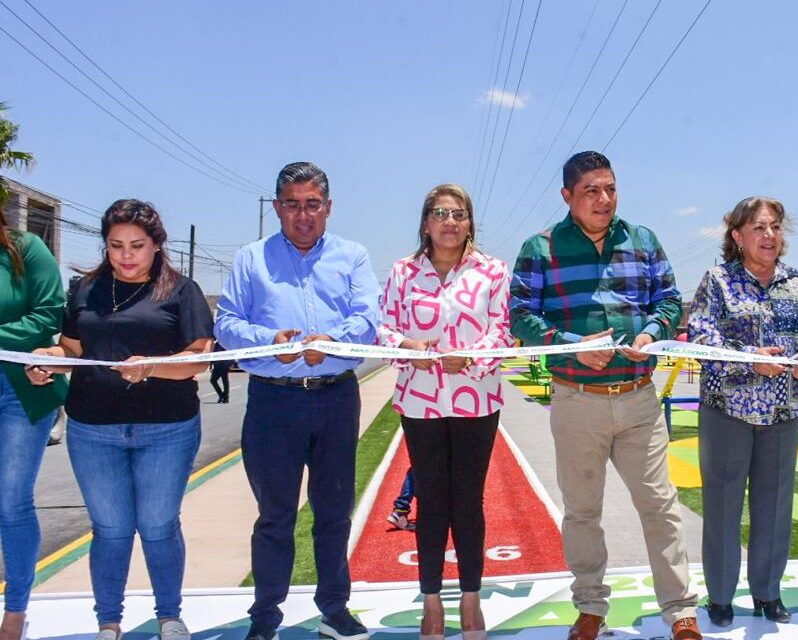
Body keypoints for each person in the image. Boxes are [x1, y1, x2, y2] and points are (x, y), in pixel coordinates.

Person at [509, 151, 701, 640]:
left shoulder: (643, 240)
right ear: (567, 196)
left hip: (638, 398)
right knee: (582, 511)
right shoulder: (541, 247)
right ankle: (590, 606)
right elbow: (521, 316)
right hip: (577, 400)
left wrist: (652, 332)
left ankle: (680, 611)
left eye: (610, 188)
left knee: (660, 506)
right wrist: (571, 347)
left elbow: (670, 299)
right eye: (591, 190)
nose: (603, 199)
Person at [26, 199, 211, 640]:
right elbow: (72, 352)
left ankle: (170, 617)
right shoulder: (85, 290)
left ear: (157, 245)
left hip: (168, 429)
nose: (126, 256)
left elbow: (198, 360)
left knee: (158, 525)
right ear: (105, 245)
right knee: (109, 529)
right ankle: (108, 623)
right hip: (93, 430)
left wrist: (151, 366)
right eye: (116, 246)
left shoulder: (182, 291)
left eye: (137, 246)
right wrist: (46, 360)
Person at [215, 162, 379, 640]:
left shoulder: (353, 256)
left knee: (333, 511)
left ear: (328, 208)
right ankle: (265, 617)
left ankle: (334, 608)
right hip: (272, 403)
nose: (302, 215)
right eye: (292, 204)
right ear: (277, 207)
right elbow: (226, 324)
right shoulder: (251, 259)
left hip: (335, 400)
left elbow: (369, 317)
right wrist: (272, 341)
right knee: (275, 516)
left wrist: (331, 341)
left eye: (312, 204)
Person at [377, 183, 513, 640]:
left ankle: (471, 600)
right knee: (432, 501)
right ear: (426, 222)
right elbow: (384, 330)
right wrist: (411, 347)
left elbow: (502, 330)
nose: (450, 222)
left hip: (476, 401)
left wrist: (471, 357)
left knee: (468, 501)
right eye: (440, 213)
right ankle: (432, 602)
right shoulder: (402, 272)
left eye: (459, 214)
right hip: (421, 401)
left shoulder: (492, 271)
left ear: (470, 222)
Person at [686, 196, 798, 628]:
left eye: (776, 228)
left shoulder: (797, 283)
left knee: (776, 506)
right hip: (728, 410)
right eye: (760, 228)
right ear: (737, 236)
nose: (770, 236)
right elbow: (701, 337)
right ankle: (722, 597)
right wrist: (750, 357)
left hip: (784, 412)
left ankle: (768, 593)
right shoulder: (718, 281)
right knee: (724, 506)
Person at [0, 220, 65, 640]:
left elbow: (48, 315)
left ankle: (15, 612)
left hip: (20, 393)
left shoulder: (27, 250)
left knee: (10, 502)